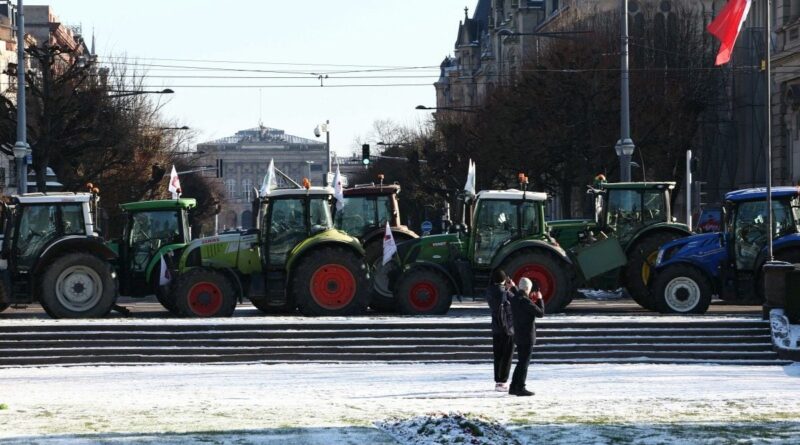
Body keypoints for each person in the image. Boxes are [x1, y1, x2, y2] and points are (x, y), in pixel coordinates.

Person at [508, 277, 545, 397]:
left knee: (520, 362)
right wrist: (540, 299)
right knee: (524, 363)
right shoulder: (526, 301)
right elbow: (540, 313)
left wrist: (514, 287)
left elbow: (517, 294)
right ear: (528, 289)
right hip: (527, 336)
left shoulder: (514, 299)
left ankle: (513, 386)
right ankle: (520, 387)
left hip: (518, 335)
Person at [486, 269, 515, 392]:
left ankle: (498, 380)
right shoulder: (504, 292)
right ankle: (502, 381)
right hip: (506, 327)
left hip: (496, 327)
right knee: (507, 355)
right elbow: (516, 300)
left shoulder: (489, 291)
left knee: (497, 355)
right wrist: (512, 288)